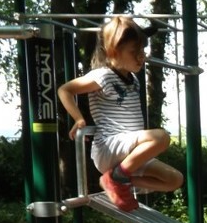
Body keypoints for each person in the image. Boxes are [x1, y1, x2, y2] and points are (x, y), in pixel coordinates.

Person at [58, 16, 183, 212]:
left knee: (174, 180)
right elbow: (65, 90)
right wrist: (78, 118)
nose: (142, 56)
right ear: (113, 51)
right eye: (135, 51)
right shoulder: (102, 75)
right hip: (110, 146)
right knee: (161, 137)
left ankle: (121, 180)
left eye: (142, 50)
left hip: (127, 155)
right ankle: (116, 178)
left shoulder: (133, 80)